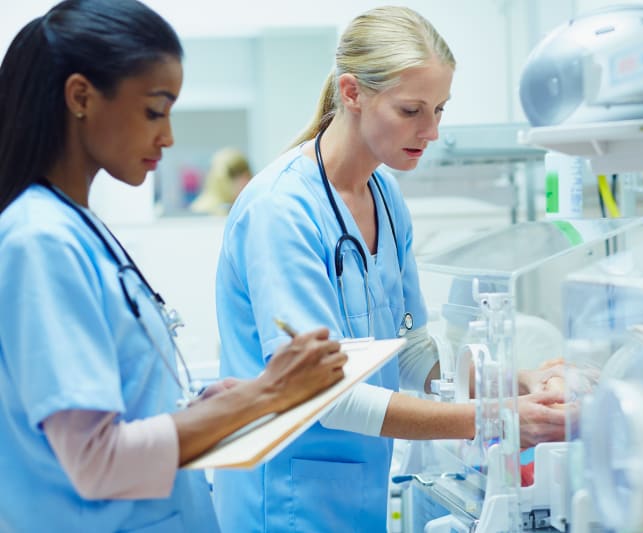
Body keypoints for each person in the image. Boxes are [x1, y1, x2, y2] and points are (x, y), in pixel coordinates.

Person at [213, 6, 571, 532]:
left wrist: (508, 384)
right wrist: (495, 418)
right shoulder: (280, 210)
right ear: (353, 92)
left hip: (356, 490)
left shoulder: (384, 195)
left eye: (440, 110)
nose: (430, 131)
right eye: (411, 110)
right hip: (283, 497)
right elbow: (324, 397)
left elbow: (410, 352)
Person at [0, 1, 347, 532]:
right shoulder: (39, 240)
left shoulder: (78, 228)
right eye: (154, 111)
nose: (168, 137)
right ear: (80, 97)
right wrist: (267, 394)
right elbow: (98, 463)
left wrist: (205, 406)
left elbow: (120, 411)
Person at [189, 147, 253, 216]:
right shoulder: (204, 210)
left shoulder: (245, 208)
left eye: (248, 176)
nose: (245, 182)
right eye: (234, 175)